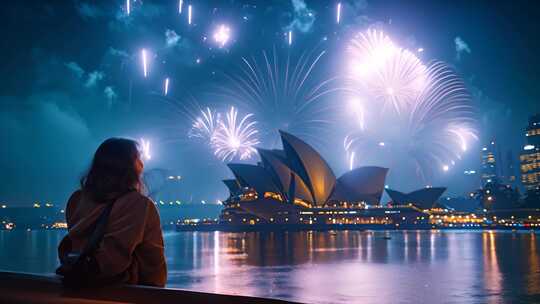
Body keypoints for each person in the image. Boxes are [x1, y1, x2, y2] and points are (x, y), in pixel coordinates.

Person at [57, 138, 167, 287]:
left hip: (77, 285)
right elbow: (122, 259)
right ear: (127, 167)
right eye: (137, 158)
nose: (142, 164)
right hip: (129, 293)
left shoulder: (77, 200)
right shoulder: (138, 205)